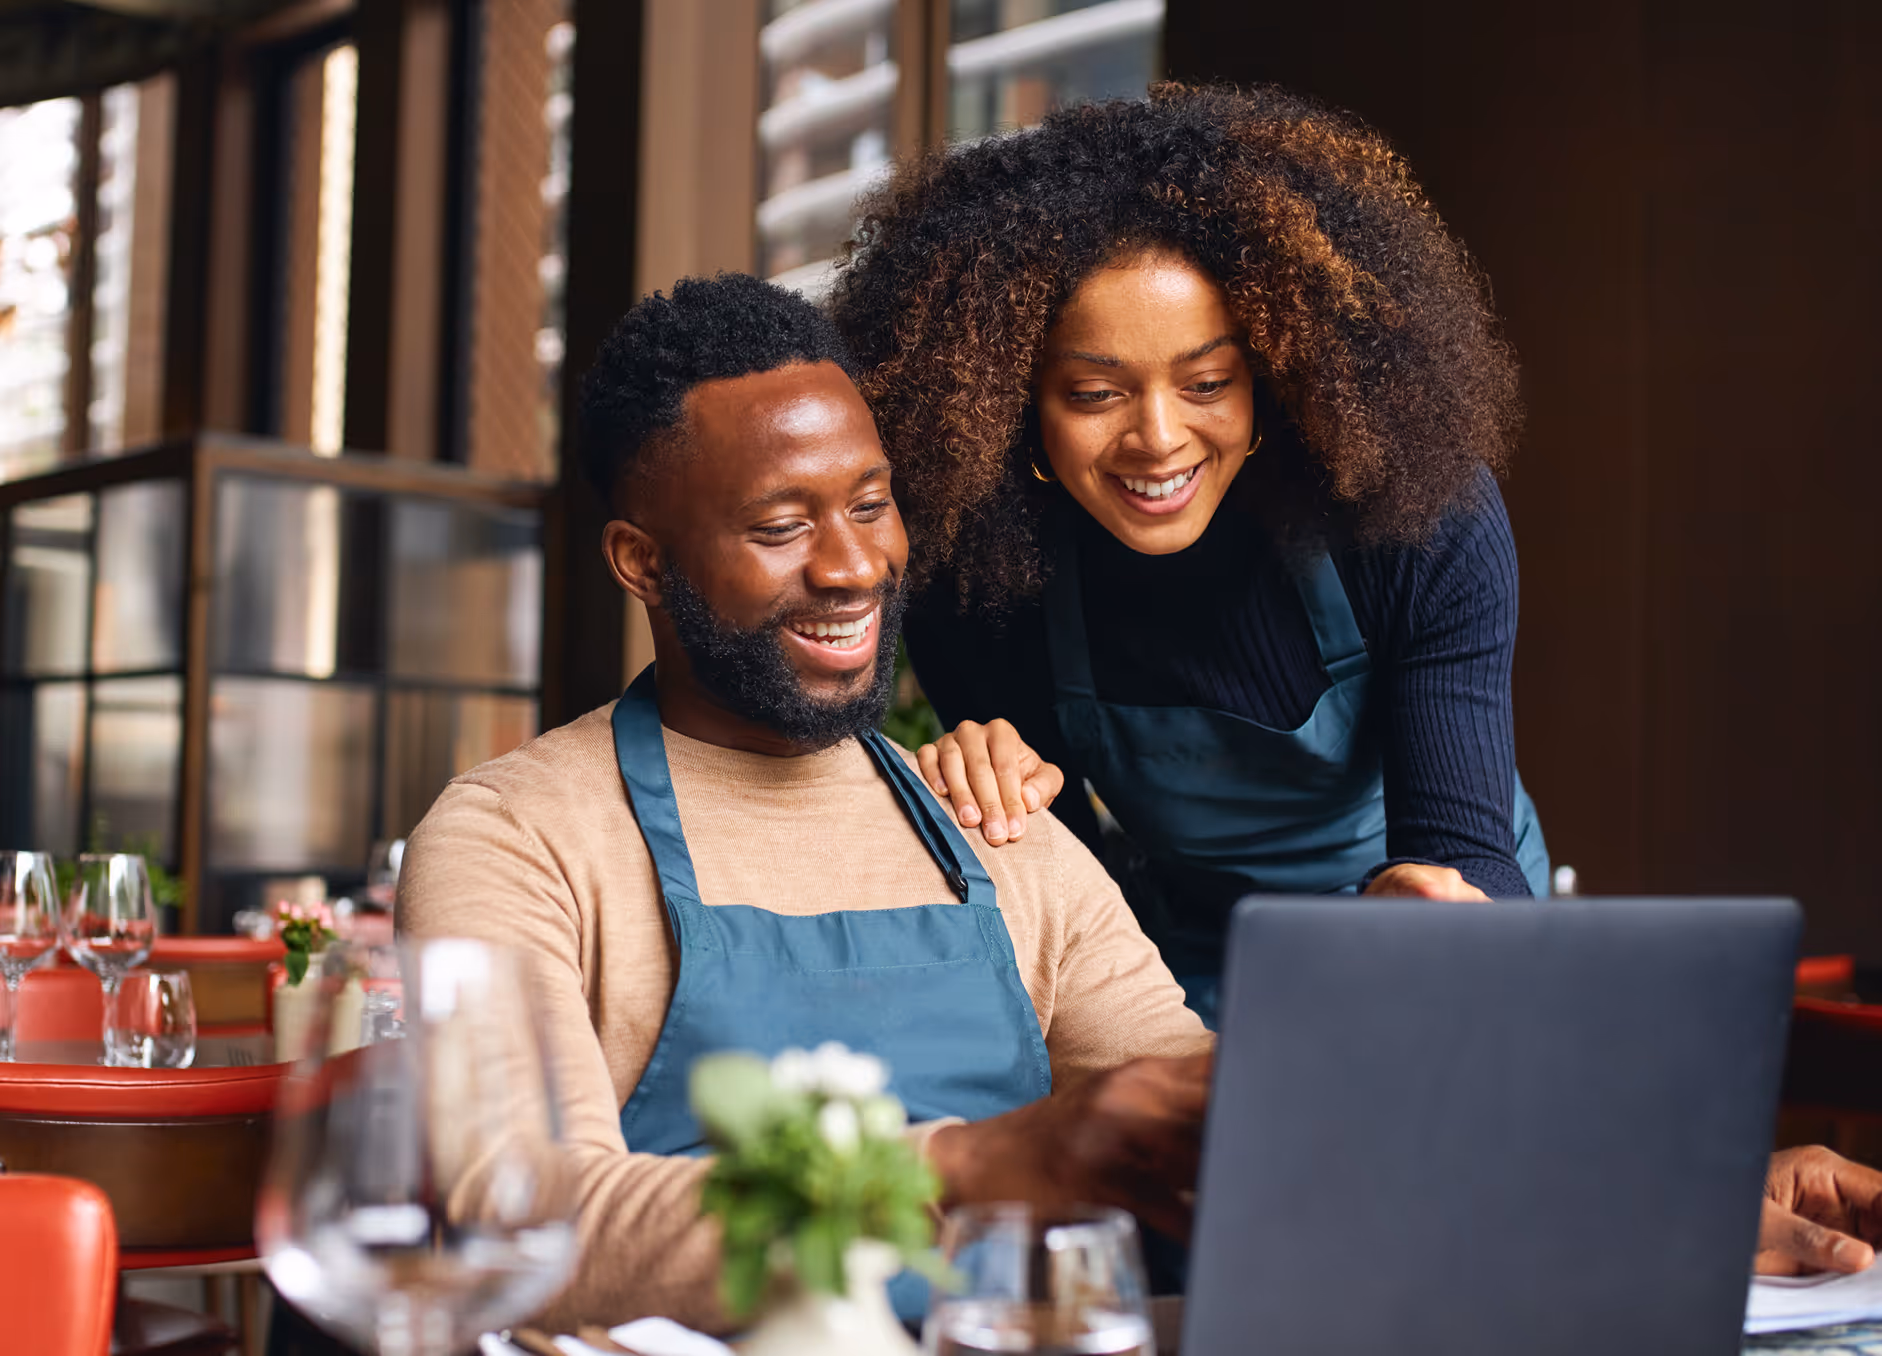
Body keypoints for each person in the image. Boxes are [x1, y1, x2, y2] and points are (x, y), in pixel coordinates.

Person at [398, 274, 1882, 1335]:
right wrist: (986, 1162)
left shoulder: (989, 820)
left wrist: (1658, 1195)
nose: (852, 568)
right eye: (782, 527)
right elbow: (520, 1214)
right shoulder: (518, 833)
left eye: (870, 504)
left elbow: (1250, 1133)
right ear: (639, 561)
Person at [828, 83, 1550, 1027]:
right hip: (1193, 962)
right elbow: (1072, 900)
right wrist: (987, 794)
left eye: (1208, 381)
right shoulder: (978, 577)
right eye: (1094, 394)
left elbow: (1468, 851)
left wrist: (1436, 911)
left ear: (1273, 373)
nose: (1159, 440)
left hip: (1437, 941)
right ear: (1011, 406)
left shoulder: (1415, 518)